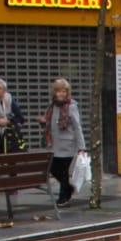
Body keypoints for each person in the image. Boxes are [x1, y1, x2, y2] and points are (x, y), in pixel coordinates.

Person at [40, 78, 84, 208]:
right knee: (54, 169)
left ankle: (63, 197)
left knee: (64, 171)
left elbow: (77, 127)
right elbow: (50, 124)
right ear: (54, 92)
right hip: (55, 145)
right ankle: (68, 189)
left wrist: (82, 147)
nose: (61, 94)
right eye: (59, 91)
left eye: (64, 91)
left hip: (67, 145)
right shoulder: (52, 106)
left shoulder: (71, 106)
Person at [0, 78, 24, 155]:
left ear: (5, 90)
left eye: (0, 88)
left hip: (10, 135)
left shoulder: (10, 101)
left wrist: (8, 121)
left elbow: (20, 118)